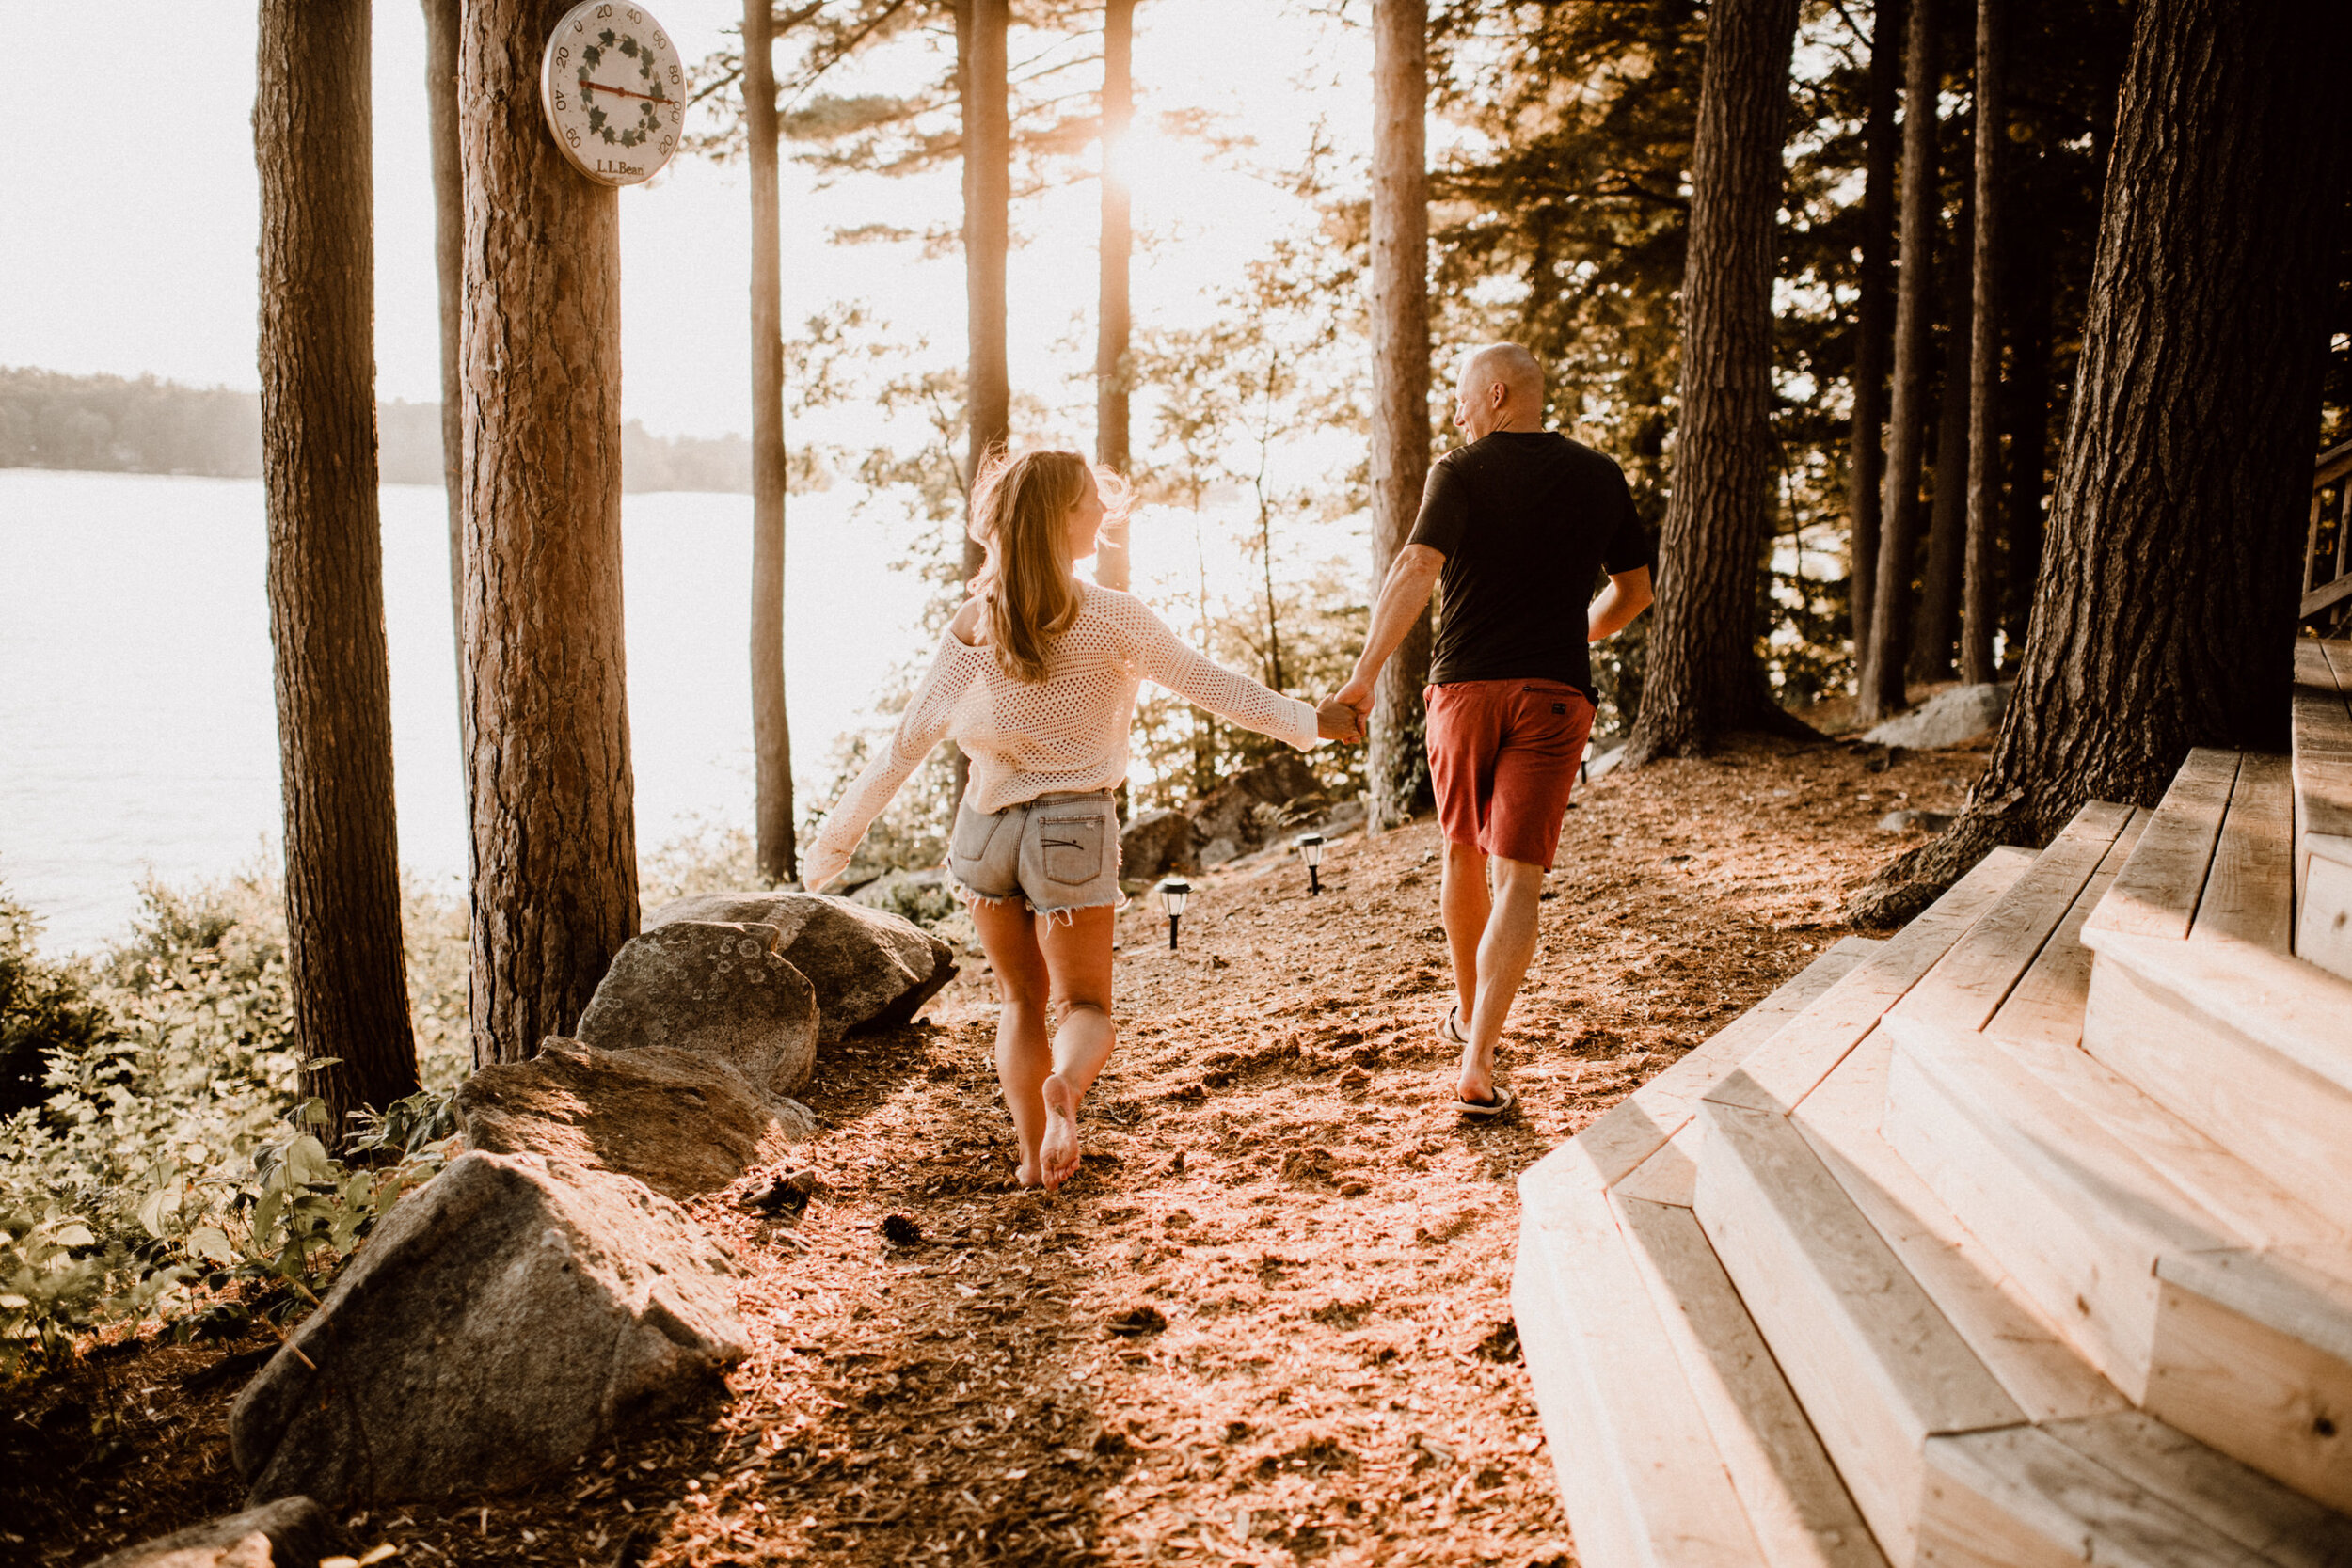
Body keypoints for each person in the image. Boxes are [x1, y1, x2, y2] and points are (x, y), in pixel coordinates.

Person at [801, 450, 1362, 1190]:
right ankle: (1065, 1086)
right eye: (1092, 501)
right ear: (1063, 516)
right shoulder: (1112, 616)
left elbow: (905, 745)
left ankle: (1034, 1160)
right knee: (1087, 1005)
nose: (1104, 512)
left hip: (986, 834)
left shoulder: (976, 623)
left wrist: (830, 848)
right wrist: (1311, 720)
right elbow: (1212, 684)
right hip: (1073, 831)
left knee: (1019, 1000)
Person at [1334, 343, 1653, 1117]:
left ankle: (1467, 1007)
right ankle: (1477, 1061)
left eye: (1462, 398)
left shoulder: (1462, 468)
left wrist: (1365, 674)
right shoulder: (1600, 474)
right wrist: (1573, 633)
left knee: (1462, 851)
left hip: (1467, 690)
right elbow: (1635, 592)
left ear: (1498, 393)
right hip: (1554, 694)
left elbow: (1415, 565)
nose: (1456, 412)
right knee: (1520, 878)